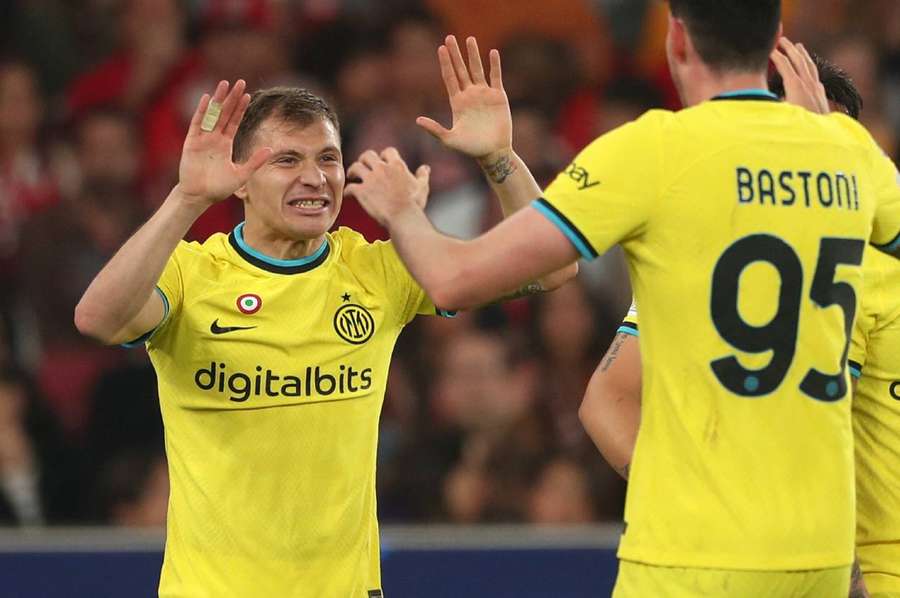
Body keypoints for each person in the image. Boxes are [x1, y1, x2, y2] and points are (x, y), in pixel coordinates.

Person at [346, 4, 900, 596]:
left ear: (678, 41)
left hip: (692, 555)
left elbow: (453, 279)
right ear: (778, 44)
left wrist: (403, 211)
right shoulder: (853, 155)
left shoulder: (653, 150)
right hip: (823, 554)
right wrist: (823, 137)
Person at [74, 78, 575, 595]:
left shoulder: (380, 269)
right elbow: (98, 319)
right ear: (240, 179)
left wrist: (500, 159)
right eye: (287, 160)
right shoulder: (191, 275)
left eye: (328, 159)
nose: (315, 178)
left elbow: (554, 267)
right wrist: (186, 199)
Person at [579, 47, 882, 598]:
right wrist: (699, 501)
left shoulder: (879, 262)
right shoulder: (713, 260)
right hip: (733, 563)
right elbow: (608, 398)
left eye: (830, 142)